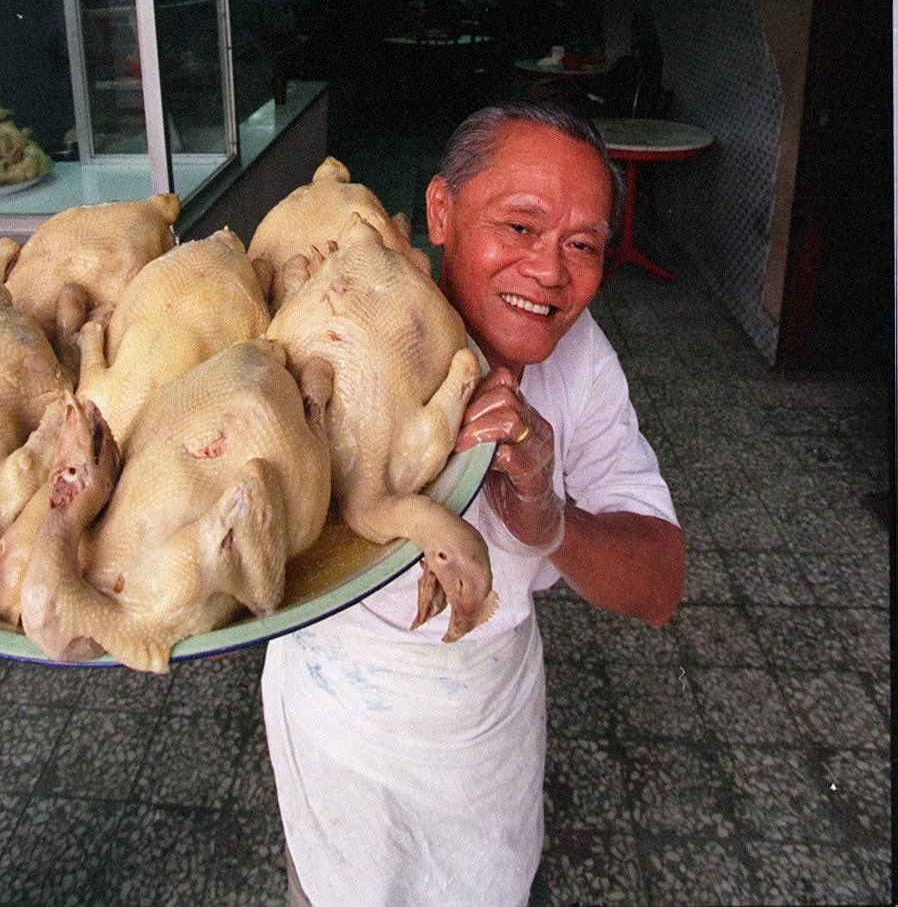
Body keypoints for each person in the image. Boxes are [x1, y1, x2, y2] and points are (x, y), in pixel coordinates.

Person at [261, 101, 685, 907]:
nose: (551, 272)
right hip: (336, 730)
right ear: (440, 212)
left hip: (485, 726)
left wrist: (551, 520)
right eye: (520, 228)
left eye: (583, 245)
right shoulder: (321, 328)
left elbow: (659, 586)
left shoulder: (581, 361)